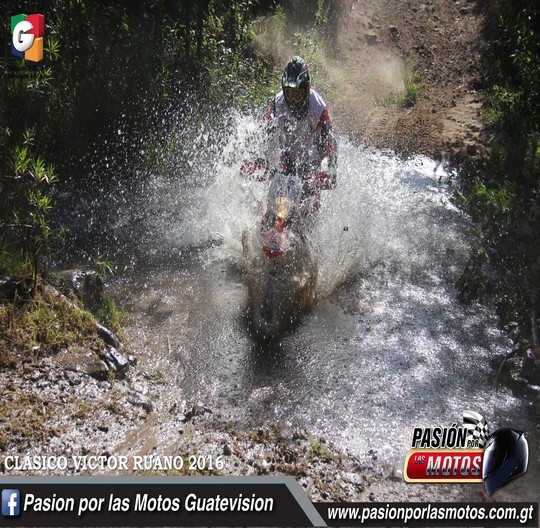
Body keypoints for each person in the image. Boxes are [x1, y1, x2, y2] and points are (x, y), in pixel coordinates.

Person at [241, 56, 338, 215]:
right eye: (289, 93)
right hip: (288, 159)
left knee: (308, 213)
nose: (293, 100)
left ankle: (307, 237)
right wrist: (254, 156)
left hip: (312, 165)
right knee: (274, 210)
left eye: (297, 94)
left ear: (306, 89)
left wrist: (330, 166)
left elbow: (330, 141)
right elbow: (261, 132)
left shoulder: (317, 107)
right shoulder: (278, 103)